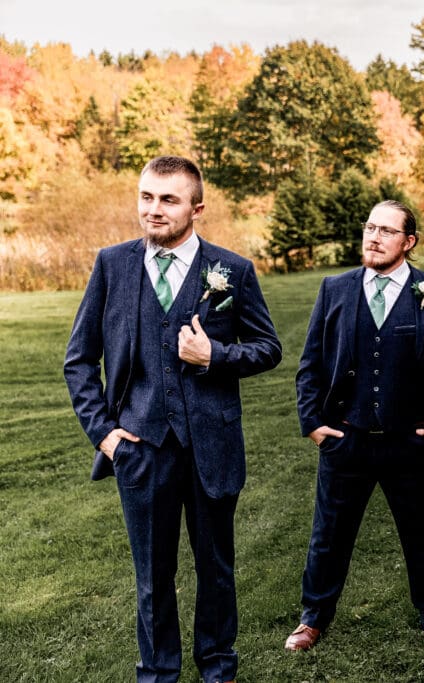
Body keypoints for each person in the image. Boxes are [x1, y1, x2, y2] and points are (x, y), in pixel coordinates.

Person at [64, 155, 282, 683]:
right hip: (140, 448)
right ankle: (157, 674)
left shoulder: (232, 270)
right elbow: (79, 360)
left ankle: (218, 669)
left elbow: (268, 347)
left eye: (168, 199)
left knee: (216, 570)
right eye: (146, 197)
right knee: (152, 577)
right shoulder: (111, 265)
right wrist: (106, 436)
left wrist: (215, 356)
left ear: (196, 209)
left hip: (212, 446)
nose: (153, 210)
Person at [284, 199, 424, 654]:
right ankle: (313, 617)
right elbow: (311, 363)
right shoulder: (335, 288)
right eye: (370, 228)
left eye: (386, 230)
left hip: (414, 439)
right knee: (329, 536)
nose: (374, 237)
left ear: (409, 241)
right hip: (348, 436)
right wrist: (313, 423)